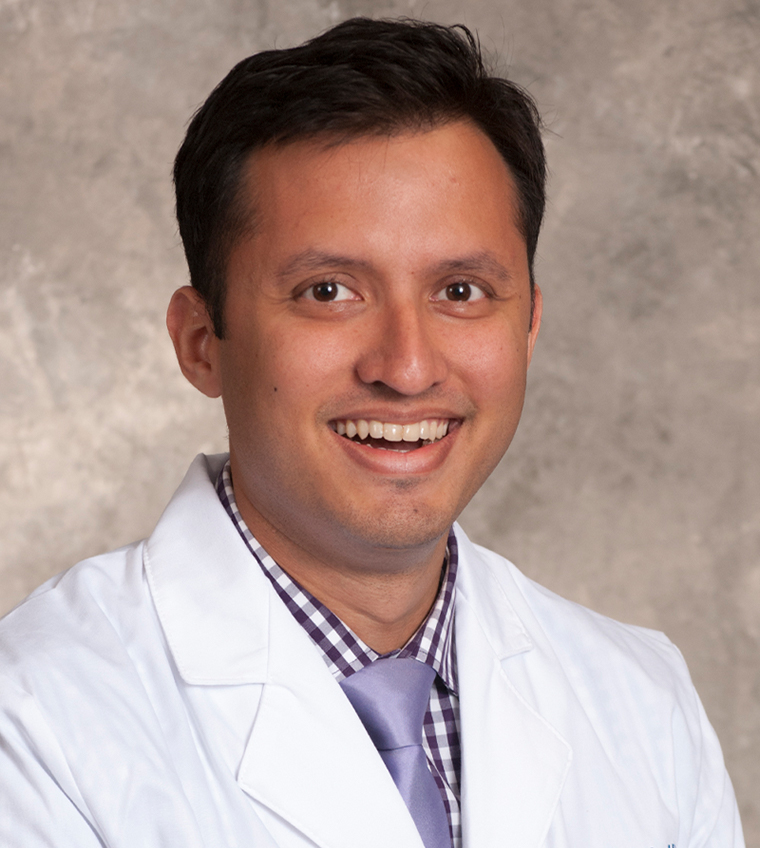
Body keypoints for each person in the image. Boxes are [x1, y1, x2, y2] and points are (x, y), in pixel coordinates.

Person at [0, 17, 744, 848]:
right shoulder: (33, 719)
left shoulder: (643, 701)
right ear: (201, 342)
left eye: (461, 291)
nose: (408, 365)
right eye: (328, 292)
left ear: (527, 327)